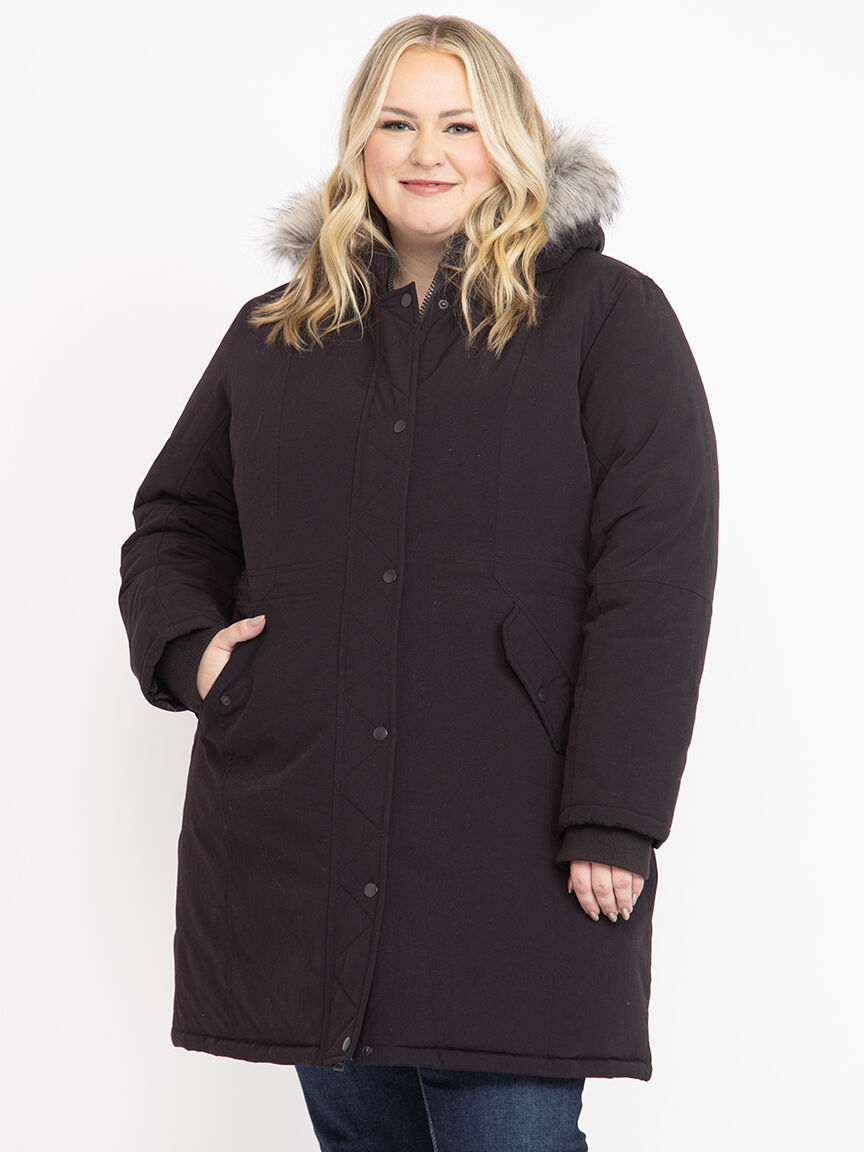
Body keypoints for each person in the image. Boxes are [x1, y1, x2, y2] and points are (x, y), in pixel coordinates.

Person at [118, 13, 719, 1151]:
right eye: (397, 124)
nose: (427, 153)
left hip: (511, 842)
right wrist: (194, 655)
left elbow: (657, 571)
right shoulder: (279, 331)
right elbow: (177, 520)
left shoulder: (606, 319)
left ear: (513, 144)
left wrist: (615, 813)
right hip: (304, 836)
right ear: (361, 144)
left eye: (461, 125)